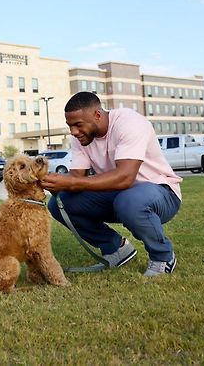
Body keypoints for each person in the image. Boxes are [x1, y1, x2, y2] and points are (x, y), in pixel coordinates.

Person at [41, 92, 182, 277]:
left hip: (161, 192)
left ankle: (163, 256)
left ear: (97, 115)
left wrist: (72, 181)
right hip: (119, 195)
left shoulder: (129, 123)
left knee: (129, 200)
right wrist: (56, 181)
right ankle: (116, 249)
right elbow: (77, 178)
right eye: (70, 126)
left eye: (78, 125)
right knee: (61, 204)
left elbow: (125, 178)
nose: (74, 132)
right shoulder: (80, 138)